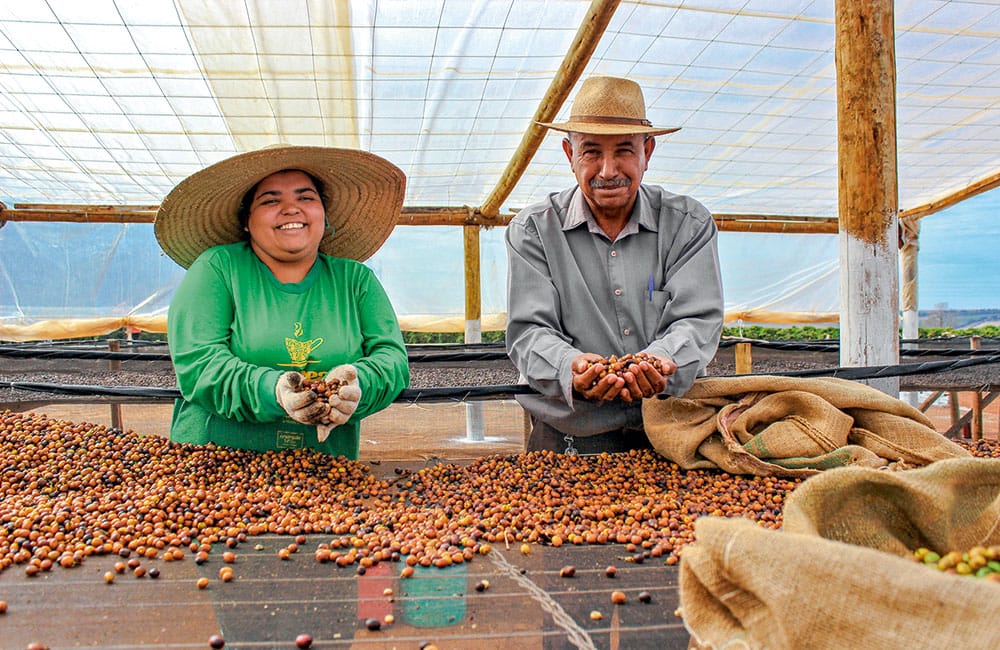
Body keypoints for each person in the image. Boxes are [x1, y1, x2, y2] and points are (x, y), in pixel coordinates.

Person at [505, 76, 724, 454]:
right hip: (566, 438)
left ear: (647, 152)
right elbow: (529, 332)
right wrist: (571, 367)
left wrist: (660, 362)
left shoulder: (687, 224)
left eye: (624, 150)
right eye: (591, 152)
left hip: (673, 433)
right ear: (568, 154)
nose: (608, 171)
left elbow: (697, 321)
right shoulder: (533, 230)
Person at [155, 145, 410, 459]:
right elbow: (199, 364)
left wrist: (359, 386)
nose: (291, 209)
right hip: (215, 463)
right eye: (271, 200)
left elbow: (392, 358)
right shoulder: (218, 268)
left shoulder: (355, 280)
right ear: (246, 221)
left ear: (324, 215)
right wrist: (273, 391)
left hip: (323, 464)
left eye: (306, 198)